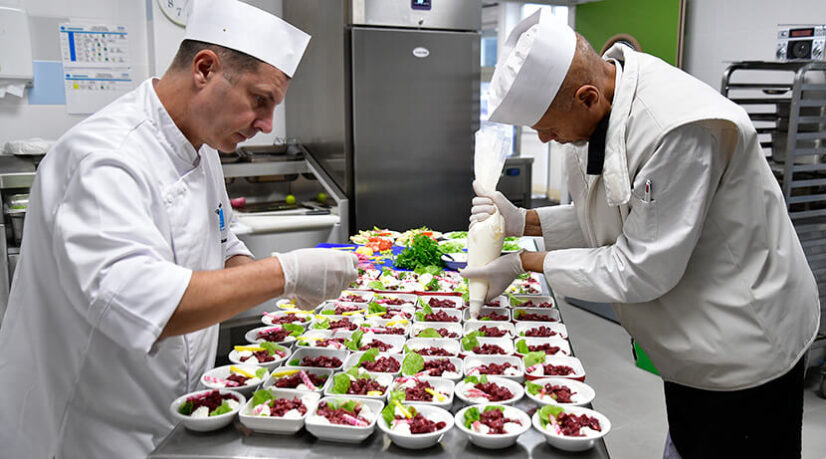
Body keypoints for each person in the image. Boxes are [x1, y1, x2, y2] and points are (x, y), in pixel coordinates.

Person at [0, 1, 357, 457]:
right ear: (205, 69)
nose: (267, 125)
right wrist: (283, 273)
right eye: (260, 100)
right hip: (85, 429)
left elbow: (224, 239)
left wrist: (273, 286)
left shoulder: (201, 146)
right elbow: (148, 304)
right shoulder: (106, 159)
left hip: (170, 414)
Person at [461, 9, 820, 459]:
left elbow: (640, 267)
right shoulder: (600, 113)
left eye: (549, 129)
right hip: (695, 335)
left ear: (587, 97)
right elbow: (612, 214)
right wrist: (524, 222)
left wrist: (523, 261)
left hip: (745, 341)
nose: (547, 139)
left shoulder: (677, 130)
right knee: (691, 438)